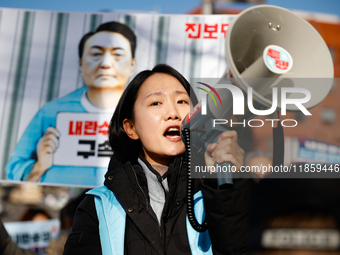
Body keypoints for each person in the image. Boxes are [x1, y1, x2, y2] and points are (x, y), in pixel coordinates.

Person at [63, 64, 252, 254]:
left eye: (181, 101)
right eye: (156, 103)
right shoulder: (98, 206)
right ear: (131, 128)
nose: (173, 114)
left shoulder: (218, 190)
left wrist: (228, 188)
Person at [6, 21, 137, 186]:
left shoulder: (143, 113)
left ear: (132, 64)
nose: (105, 64)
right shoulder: (52, 111)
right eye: (96, 54)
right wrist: (38, 167)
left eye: (117, 54)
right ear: (81, 63)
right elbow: (13, 171)